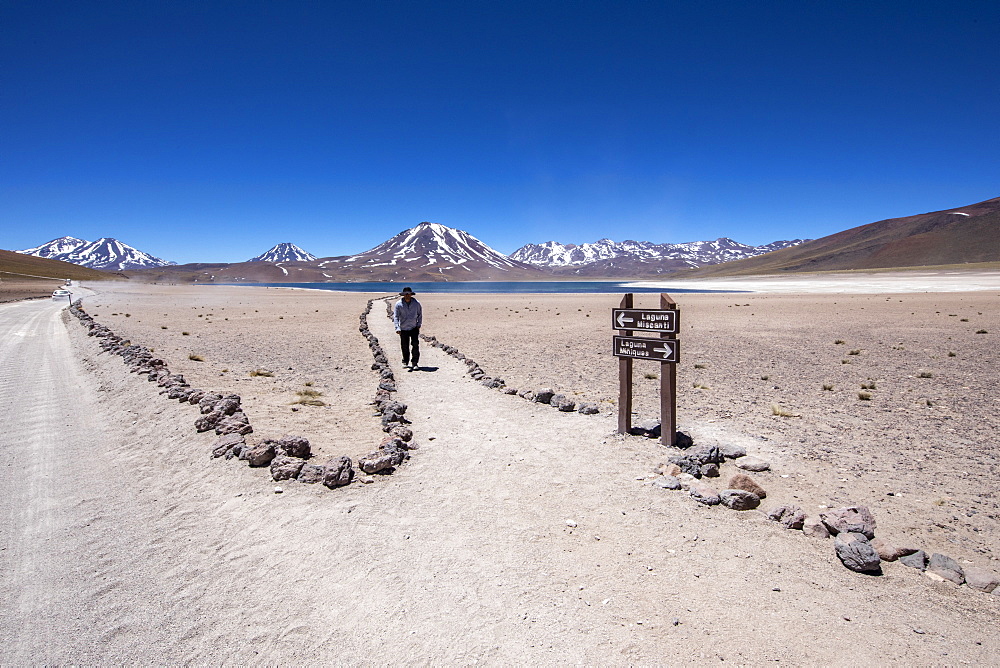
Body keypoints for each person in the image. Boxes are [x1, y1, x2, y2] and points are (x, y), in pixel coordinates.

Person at [393, 287, 423, 371]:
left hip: (414, 327)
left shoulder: (416, 303)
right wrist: (397, 327)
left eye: (408, 294)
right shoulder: (398, 304)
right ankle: (405, 361)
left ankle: (415, 363)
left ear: (411, 294)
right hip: (403, 328)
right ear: (403, 295)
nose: (407, 295)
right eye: (405, 294)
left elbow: (420, 314)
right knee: (404, 346)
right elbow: (396, 317)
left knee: (415, 345)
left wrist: (419, 324)